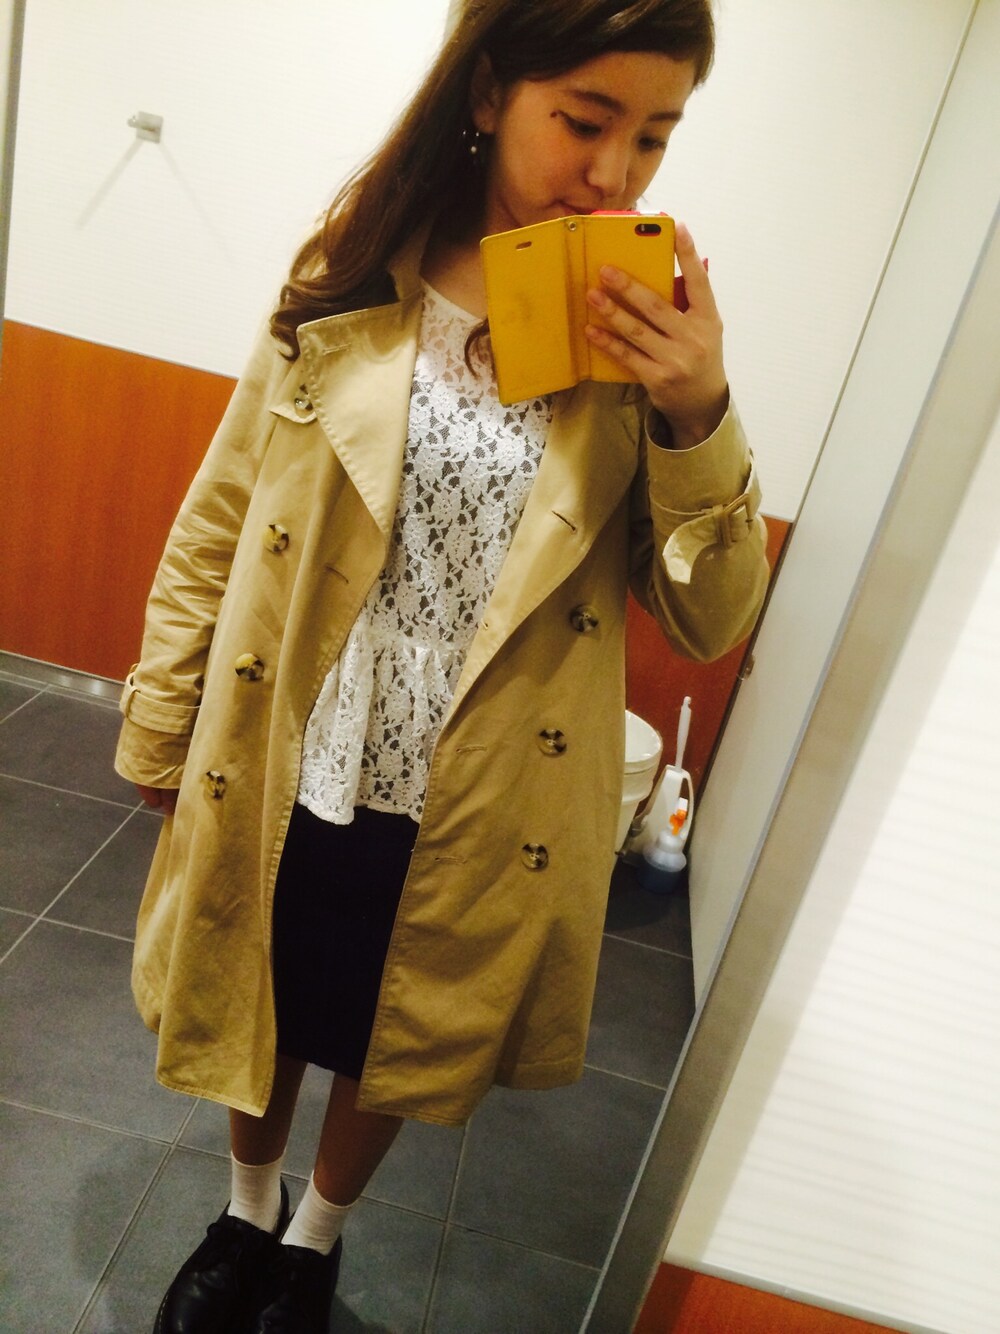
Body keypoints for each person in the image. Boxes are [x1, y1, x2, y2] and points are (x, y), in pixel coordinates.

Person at [115, 1, 769, 1329]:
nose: (615, 173)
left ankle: (314, 1238)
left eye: (654, 136)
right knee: (265, 983)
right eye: (584, 120)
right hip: (307, 725)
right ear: (486, 94)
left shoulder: (641, 338)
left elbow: (708, 618)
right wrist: (160, 715)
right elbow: (223, 511)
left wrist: (697, 407)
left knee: (395, 1019)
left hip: (480, 763)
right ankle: (244, 1213)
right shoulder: (356, 270)